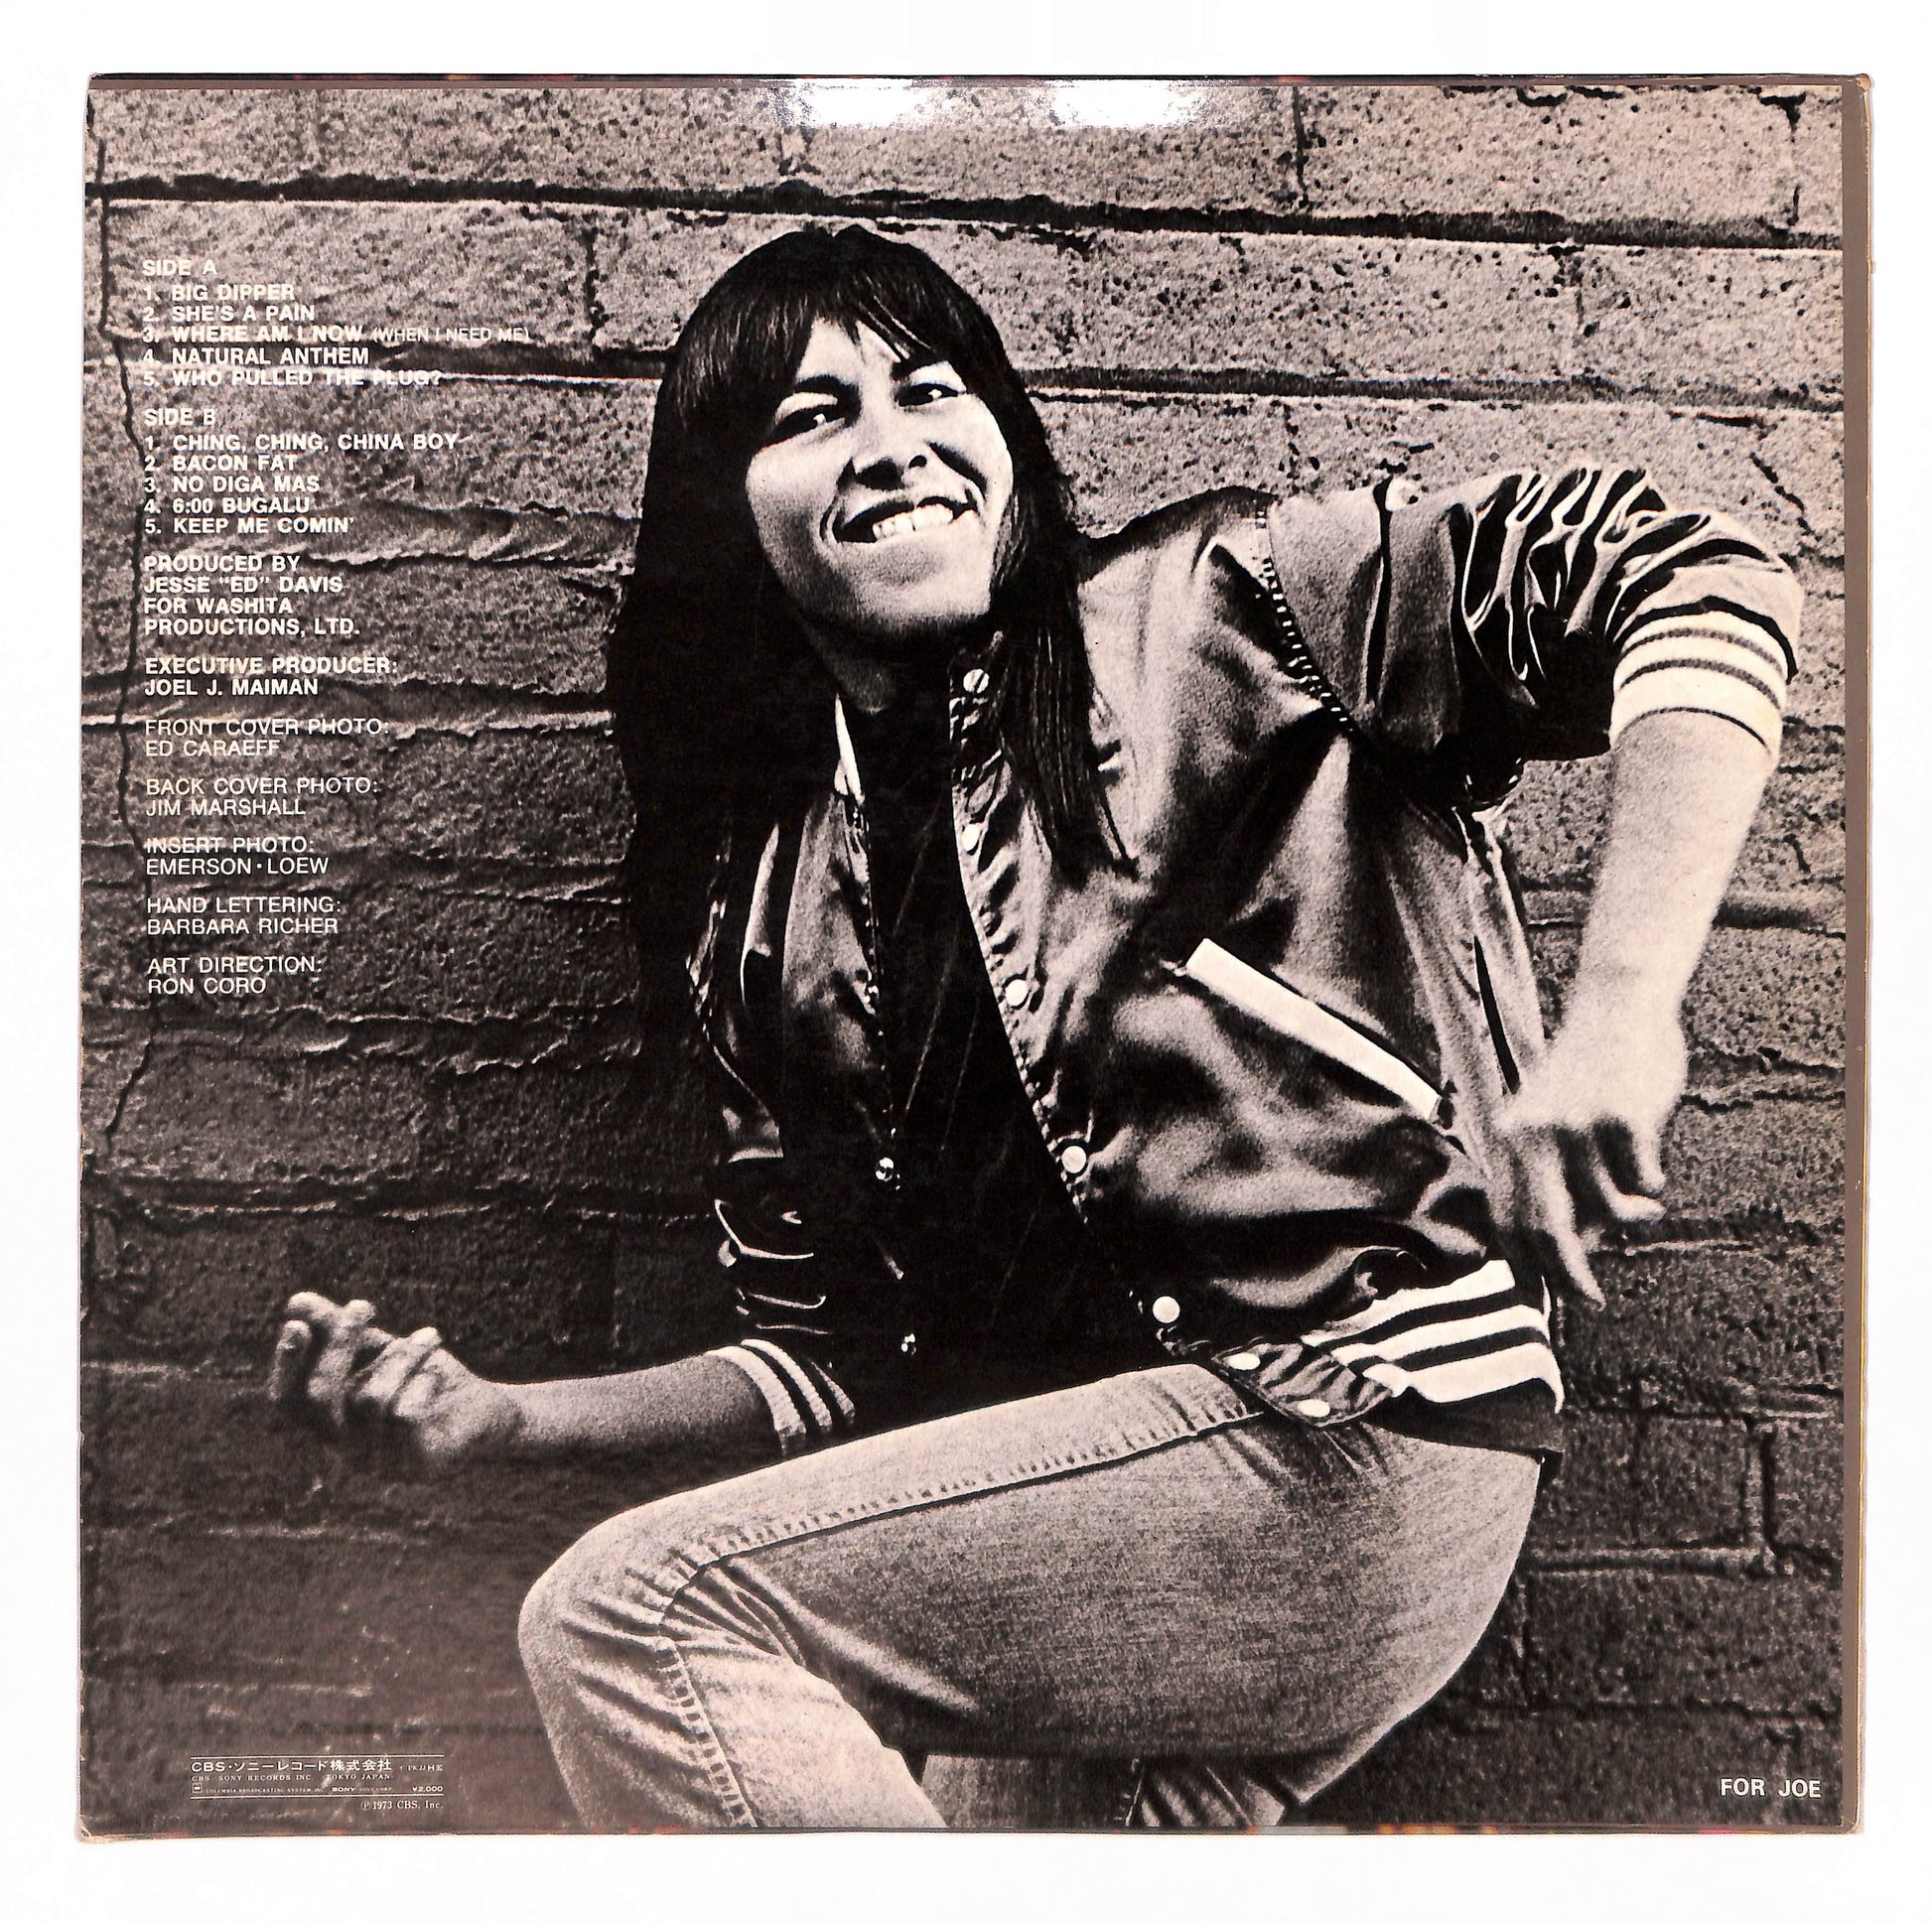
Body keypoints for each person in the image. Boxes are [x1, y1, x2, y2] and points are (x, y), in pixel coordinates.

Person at [269, 224, 1802, 1829]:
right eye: (811, 415)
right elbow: (831, 1359)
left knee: (633, 1612)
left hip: (1346, 1424)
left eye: (931, 389)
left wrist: (1622, 1010)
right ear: (731, 514)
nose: (892, 445)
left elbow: (1686, 569)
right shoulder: (761, 913)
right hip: (1086, 1488)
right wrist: (509, 1421)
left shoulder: (1223, 606)